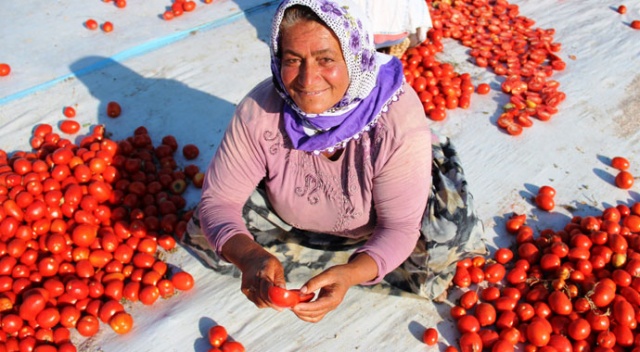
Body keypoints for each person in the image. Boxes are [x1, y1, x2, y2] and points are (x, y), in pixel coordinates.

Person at [182, 0, 486, 323]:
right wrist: (250, 257)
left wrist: (350, 274)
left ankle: (362, 264)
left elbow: (398, 228)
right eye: (293, 60)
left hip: (381, 222)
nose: (308, 79)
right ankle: (339, 262)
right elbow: (219, 202)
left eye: (325, 59)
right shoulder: (260, 111)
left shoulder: (395, 120)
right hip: (298, 220)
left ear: (354, 57)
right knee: (210, 231)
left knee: (448, 229)